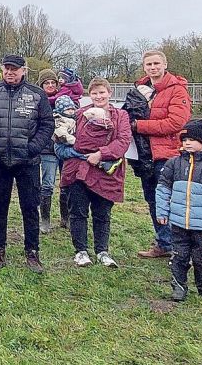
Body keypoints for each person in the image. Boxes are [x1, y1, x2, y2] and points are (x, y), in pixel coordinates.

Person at [0, 55, 54, 272]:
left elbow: (47, 125)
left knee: (30, 207)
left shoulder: (37, 95)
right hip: (0, 161)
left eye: (15, 69)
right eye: (7, 68)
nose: (10, 72)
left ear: (24, 70)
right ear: (2, 70)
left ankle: (32, 252)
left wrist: (33, 148)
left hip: (28, 162)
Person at [156, 119, 202, 305]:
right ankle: (179, 288)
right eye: (184, 139)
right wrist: (162, 212)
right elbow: (163, 190)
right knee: (179, 257)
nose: (187, 143)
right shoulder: (174, 164)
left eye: (191, 139)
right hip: (179, 224)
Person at [60, 78, 132, 269]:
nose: (98, 96)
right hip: (79, 169)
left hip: (105, 171)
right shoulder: (80, 114)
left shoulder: (121, 116)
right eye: (94, 93)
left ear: (109, 93)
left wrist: (102, 154)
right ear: (88, 95)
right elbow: (70, 138)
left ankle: (102, 251)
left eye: (102, 92)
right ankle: (81, 251)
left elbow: (123, 140)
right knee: (78, 211)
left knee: (102, 213)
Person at [132, 50, 191, 259]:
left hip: (168, 153)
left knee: (168, 199)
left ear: (165, 64)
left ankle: (179, 247)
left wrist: (139, 126)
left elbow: (176, 123)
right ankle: (164, 242)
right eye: (149, 64)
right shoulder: (141, 89)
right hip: (144, 153)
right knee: (152, 199)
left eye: (156, 63)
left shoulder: (177, 91)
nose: (153, 67)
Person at [38, 68, 69, 229]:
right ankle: (45, 220)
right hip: (47, 150)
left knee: (66, 184)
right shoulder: (39, 102)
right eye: (46, 83)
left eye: (52, 83)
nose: (50, 85)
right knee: (48, 184)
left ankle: (65, 218)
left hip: (64, 149)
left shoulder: (64, 101)